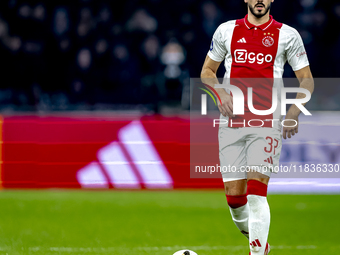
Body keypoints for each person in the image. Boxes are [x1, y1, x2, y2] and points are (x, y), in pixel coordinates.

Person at [200, 0, 314, 254]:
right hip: (232, 123)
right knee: (234, 198)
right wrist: (219, 91)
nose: (260, 0)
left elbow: (306, 80)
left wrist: (294, 112)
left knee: (256, 192)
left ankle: (256, 252)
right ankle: (260, 243)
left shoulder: (287, 35)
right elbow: (207, 71)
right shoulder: (226, 31)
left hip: (267, 122)